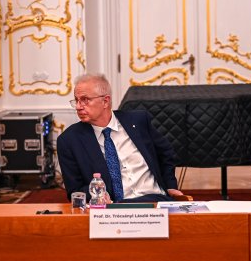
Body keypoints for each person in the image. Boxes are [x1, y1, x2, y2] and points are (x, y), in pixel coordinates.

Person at [57, 73, 183, 203]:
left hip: (156, 200)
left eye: (85, 100)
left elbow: (166, 153)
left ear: (105, 101)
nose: (78, 107)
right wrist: (97, 196)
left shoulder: (138, 121)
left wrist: (170, 185)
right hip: (116, 207)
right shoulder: (69, 141)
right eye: (76, 100)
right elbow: (75, 191)